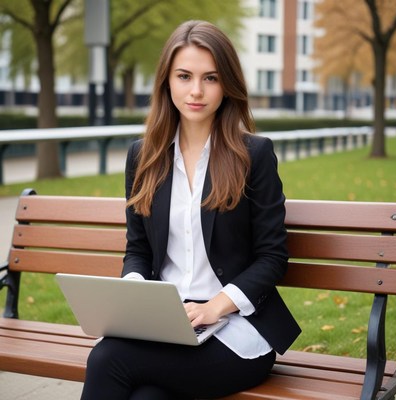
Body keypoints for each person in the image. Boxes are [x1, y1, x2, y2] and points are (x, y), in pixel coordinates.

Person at [80, 20, 301, 400]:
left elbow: (272, 257)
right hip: (166, 324)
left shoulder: (254, 155)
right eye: (184, 76)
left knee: (107, 360)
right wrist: (135, 299)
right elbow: (138, 250)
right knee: (148, 397)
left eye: (210, 78)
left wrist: (216, 306)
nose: (196, 91)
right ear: (167, 81)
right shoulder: (144, 156)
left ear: (227, 85)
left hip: (236, 330)